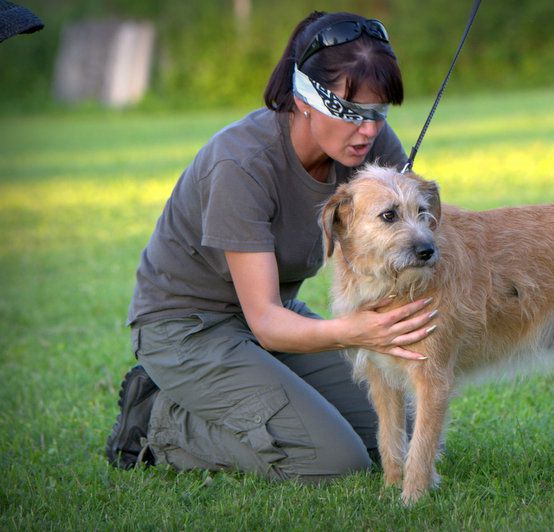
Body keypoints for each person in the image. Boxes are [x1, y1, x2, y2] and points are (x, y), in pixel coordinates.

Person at [106, 11, 438, 482]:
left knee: (396, 428)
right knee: (334, 461)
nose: (368, 129)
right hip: (189, 329)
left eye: (378, 111)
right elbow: (266, 322)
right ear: (303, 97)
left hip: (276, 317)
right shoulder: (241, 165)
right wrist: (357, 330)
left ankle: (255, 400)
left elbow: (416, 228)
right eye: (349, 111)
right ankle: (157, 421)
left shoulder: (370, 144)